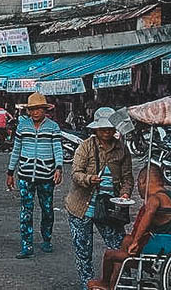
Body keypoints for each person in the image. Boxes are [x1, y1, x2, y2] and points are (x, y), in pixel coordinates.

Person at [67, 107, 134, 290]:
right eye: (103, 129)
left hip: (109, 208)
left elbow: (128, 177)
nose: (107, 132)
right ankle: (87, 284)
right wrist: (89, 179)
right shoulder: (86, 146)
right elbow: (75, 174)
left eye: (110, 128)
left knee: (118, 247)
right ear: (96, 129)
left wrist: (125, 193)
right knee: (83, 250)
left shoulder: (122, 148)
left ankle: (119, 283)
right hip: (81, 207)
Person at [89, 165, 171, 290]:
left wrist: (135, 242)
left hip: (160, 253)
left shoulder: (155, 199)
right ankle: (113, 285)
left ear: (142, 182)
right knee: (126, 239)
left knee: (109, 255)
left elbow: (148, 215)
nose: (138, 189)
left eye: (138, 184)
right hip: (170, 245)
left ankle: (105, 283)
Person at [6, 92, 63, 258]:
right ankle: (26, 245)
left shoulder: (53, 127)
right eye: (32, 109)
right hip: (25, 175)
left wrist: (58, 168)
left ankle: (46, 239)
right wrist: (10, 171)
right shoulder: (22, 127)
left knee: (47, 209)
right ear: (28, 111)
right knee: (26, 211)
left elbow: (57, 149)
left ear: (45, 110)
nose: (35, 112)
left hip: (46, 176)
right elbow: (16, 150)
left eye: (39, 109)